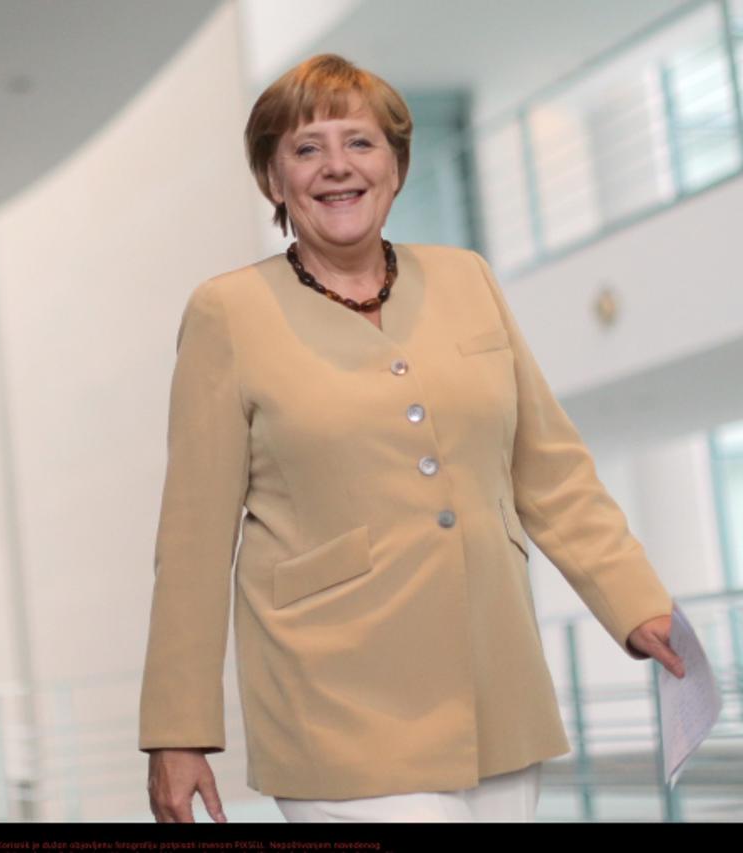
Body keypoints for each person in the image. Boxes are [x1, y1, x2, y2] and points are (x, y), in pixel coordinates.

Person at [139, 54, 684, 823]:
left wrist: (637, 602)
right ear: (273, 180)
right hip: (335, 701)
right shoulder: (227, 313)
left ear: (396, 166)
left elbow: (549, 470)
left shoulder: (468, 280)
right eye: (306, 148)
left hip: (496, 692)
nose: (337, 167)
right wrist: (177, 730)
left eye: (360, 143)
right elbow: (193, 536)